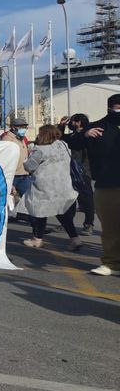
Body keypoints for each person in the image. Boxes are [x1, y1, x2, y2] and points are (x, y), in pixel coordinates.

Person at [16, 125, 81, 251]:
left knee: (39, 212)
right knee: (63, 212)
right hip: (63, 184)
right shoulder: (63, 145)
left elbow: (29, 166)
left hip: (44, 186)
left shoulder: (40, 150)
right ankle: (75, 238)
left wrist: (27, 157)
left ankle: (37, 239)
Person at [85, 94, 120, 275]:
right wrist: (85, 135)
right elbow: (72, 142)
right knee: (110, 227)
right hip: (107, 183)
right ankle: (111, 263)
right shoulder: (97, 127)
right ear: (110, 108)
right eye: (118, 106)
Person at [60, 114, 95, 235]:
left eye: (74, 121)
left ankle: (89, 224)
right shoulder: (73, 135)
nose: (72, 123)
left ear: (80, 122)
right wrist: (61, 125)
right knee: (69, 198)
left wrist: (83, 134)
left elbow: (78, 141)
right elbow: (61, 138)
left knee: (87, 198)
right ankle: (67, 223)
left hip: (83, 171)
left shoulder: (88, 134)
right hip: (69, 169)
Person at [2, 117, 31, 207]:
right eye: (22, 127)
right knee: (8, 198)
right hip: (13, 175)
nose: (24, 129)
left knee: (29, 198)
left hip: (24, 173)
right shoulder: (7, 139)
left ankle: (29, 217)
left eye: (25, 127)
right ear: (14, 127)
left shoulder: (21, 138)